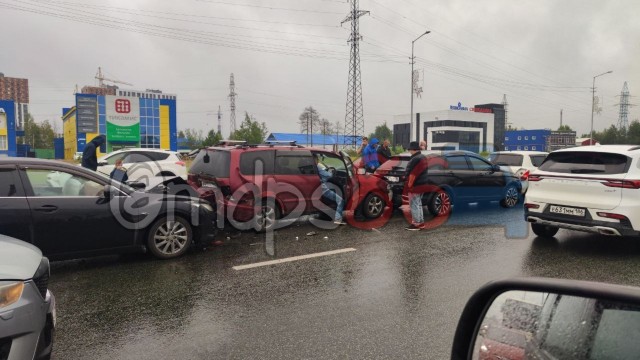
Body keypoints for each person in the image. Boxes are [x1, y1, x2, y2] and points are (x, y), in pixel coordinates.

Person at [404, 141, 429, 231]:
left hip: (415, 185)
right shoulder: (423, 157)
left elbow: (413, 174)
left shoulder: (415, 159)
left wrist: (409, 186)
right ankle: (421, 223)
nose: (409, 151)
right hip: (422, 184)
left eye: (410, 149)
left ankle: (416, 224)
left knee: (414, 204)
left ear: (413, 149)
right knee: (418, 204)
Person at [315, 155, 346, 225]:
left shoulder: (310, 167)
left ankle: (324, 214)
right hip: (323, 189)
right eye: (317, 159)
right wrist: (332, 173)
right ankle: (338, 219)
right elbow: (328, 175)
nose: (318, 161)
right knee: (340, 200)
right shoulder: (317, 167)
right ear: (315, 160)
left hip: (316, 189)